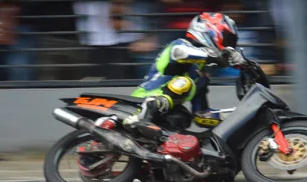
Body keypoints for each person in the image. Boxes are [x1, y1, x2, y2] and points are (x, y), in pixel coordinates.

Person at [98, 12, 245, 141]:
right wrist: (217, 56)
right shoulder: (181, 45)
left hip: (165, 114)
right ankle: (143, 115)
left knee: (183, 116)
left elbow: (201, 116)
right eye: (227, 40)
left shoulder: (201, 76)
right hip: (142, 101)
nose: (228, 46)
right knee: (184, 82)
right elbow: (180, 53)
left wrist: (234, 115)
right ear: (209, 31)